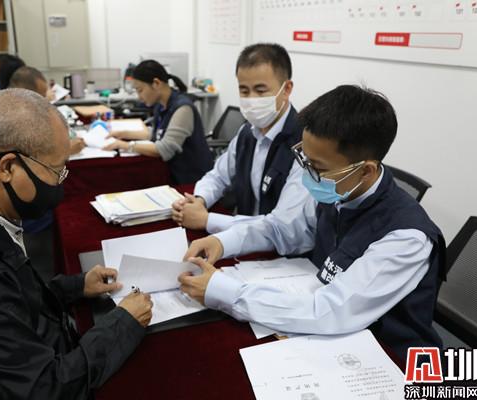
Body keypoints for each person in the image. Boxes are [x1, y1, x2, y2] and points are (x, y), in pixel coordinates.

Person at [0, 89, 153, 399]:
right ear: (7, 167)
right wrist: (123, 324)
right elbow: (44, 390)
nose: (60, 182)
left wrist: (75, 287)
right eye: (56, 170)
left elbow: (14, 299)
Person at [178, 85, 446, 362]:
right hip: (330, 325)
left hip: (390, 356)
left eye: (317, 167)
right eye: (304, 159)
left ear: (366, 171)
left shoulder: (407, 236)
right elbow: (282, 228)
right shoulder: (338, 188)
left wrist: (225, 292)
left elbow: (332, 311)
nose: (307, 174)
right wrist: (222, 241)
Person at [171, 43, 308, 235]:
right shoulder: (247, 132)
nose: (251, 99)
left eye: (260, 90)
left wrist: (207, 220)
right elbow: (218, 176)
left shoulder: (304, 144)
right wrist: (199, 200)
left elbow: (284, 226)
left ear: (286, 89)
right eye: (244, 91)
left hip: (278, 246)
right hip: (241, 236)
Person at [0, 66, 85, 184]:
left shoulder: (7, 107)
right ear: (25, 94)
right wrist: (65, 150)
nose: (43, 104)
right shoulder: (5, 117)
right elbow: (32, 161)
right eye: (40, 97)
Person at [103, 59, 213, 184]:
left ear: (156, 83)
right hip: (171, 174)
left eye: (140, 90)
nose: (139, 97)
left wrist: (126, 146)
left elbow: (164, 149)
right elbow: (157, 134)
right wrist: (123, 134)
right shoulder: (161, 105)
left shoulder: (183, 108)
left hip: (192, 181)